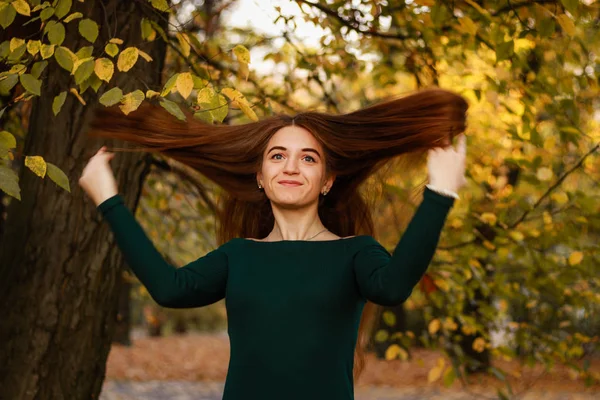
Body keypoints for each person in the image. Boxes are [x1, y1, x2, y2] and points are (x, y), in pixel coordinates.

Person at [79, 87, 468, 400]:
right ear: (261, 177)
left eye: (309, 159)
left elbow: (394, 286)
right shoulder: (239, 255)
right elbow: (169, 288)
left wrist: (440, 193)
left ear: (328, 181)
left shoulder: (356, 253)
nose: (291, 167)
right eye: (278, 156)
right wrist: (108, 199)